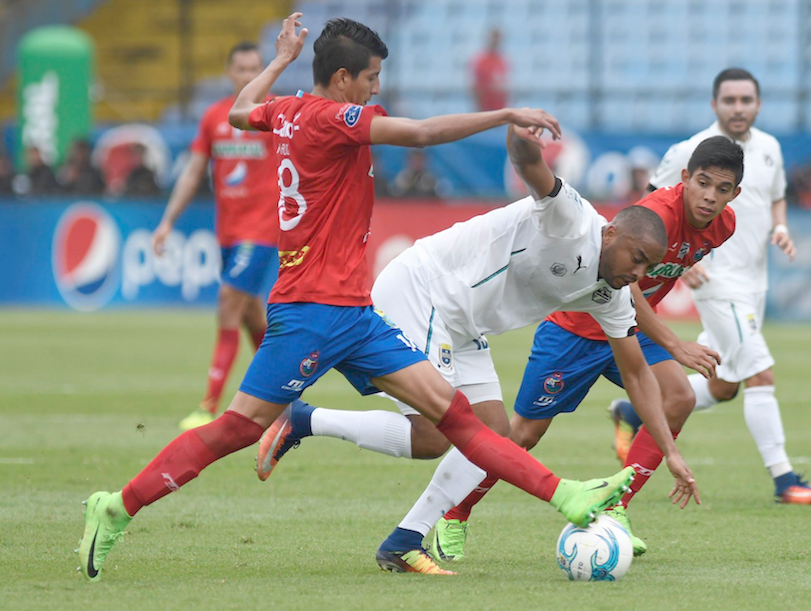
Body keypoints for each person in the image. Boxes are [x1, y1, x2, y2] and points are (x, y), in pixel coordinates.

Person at [77, 14, 640, 582]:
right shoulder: (332, 118)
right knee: (238, 428)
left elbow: (241, 111)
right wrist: (504, 114)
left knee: (457, 419)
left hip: (356, 314)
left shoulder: (286, 110)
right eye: (371, 78)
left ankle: (565, 495)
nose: (376, 89)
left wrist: (280, 61)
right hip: (311, 312)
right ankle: (117, 506)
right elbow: (420, 134)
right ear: (343, 78)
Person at [262, 136, 739, 568]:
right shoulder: (574, 219)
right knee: (434, 435)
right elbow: (531, 166)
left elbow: (636, 374)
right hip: (424, 290)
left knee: (493, 436)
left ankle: (404, 540)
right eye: (637, 259)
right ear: (610, 234)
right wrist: (517, 128)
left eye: (649, 267)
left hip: (465, 321)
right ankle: (304, 420)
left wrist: (671, 453)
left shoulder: (613, 294)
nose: (639, 275)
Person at [414, 135, 742, 563]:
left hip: (629, 330)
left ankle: (615, 508)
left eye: (722, 189)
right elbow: (625, 288)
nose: (710, 196)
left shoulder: (724, 226)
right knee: (522, 435)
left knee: (678, 396)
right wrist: (674, 342)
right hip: (577, 327)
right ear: (685, 178)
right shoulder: (657, 214)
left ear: (735, 194)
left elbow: (646, 287)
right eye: (703, 183)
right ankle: (456, 512)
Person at [613, 68, 811, 505]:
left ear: (758, 105)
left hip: (755, 281)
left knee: (723, 383)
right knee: (759, 373)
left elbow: (776, 197)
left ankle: (634, 412)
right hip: (716, 281)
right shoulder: (690, 150)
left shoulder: (769, 148)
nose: (738, 108)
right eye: (729, 100)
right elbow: (647, 209)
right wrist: (677, 260)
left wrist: (781, 226)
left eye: (745, 100)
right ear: (714, 104)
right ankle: (785, 480)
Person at [152, 41, 280, 431]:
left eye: (255, 69)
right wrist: (167, 221)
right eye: (242, 69)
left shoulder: (276, 114)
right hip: (227, 233)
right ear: (229, 73)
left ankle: (208, 407)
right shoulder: (213, 117)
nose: (248, 76)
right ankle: (285, 399)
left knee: (227, 302)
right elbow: (193, 172)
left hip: (262, 231)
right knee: (250, 314)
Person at [471, 28, 509, 111]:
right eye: (494, 39)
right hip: (486, 109)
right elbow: (476, 88)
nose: (496, 42)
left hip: (500, 108)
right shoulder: (482, 61)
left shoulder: (502, 60)